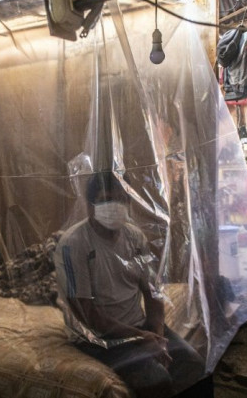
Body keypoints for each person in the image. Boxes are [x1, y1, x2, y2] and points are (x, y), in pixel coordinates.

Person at [53, 171, 204, 398]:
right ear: (91, 204)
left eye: (121, 198)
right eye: (106, 199)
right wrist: (142, 338)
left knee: (194, 364)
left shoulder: (134, 237)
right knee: (156, 380)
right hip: (97, 338)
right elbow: (87, 315)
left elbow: (152, 292)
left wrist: (156, 333)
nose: (114, 206)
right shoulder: (73, 244)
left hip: (138, 326)